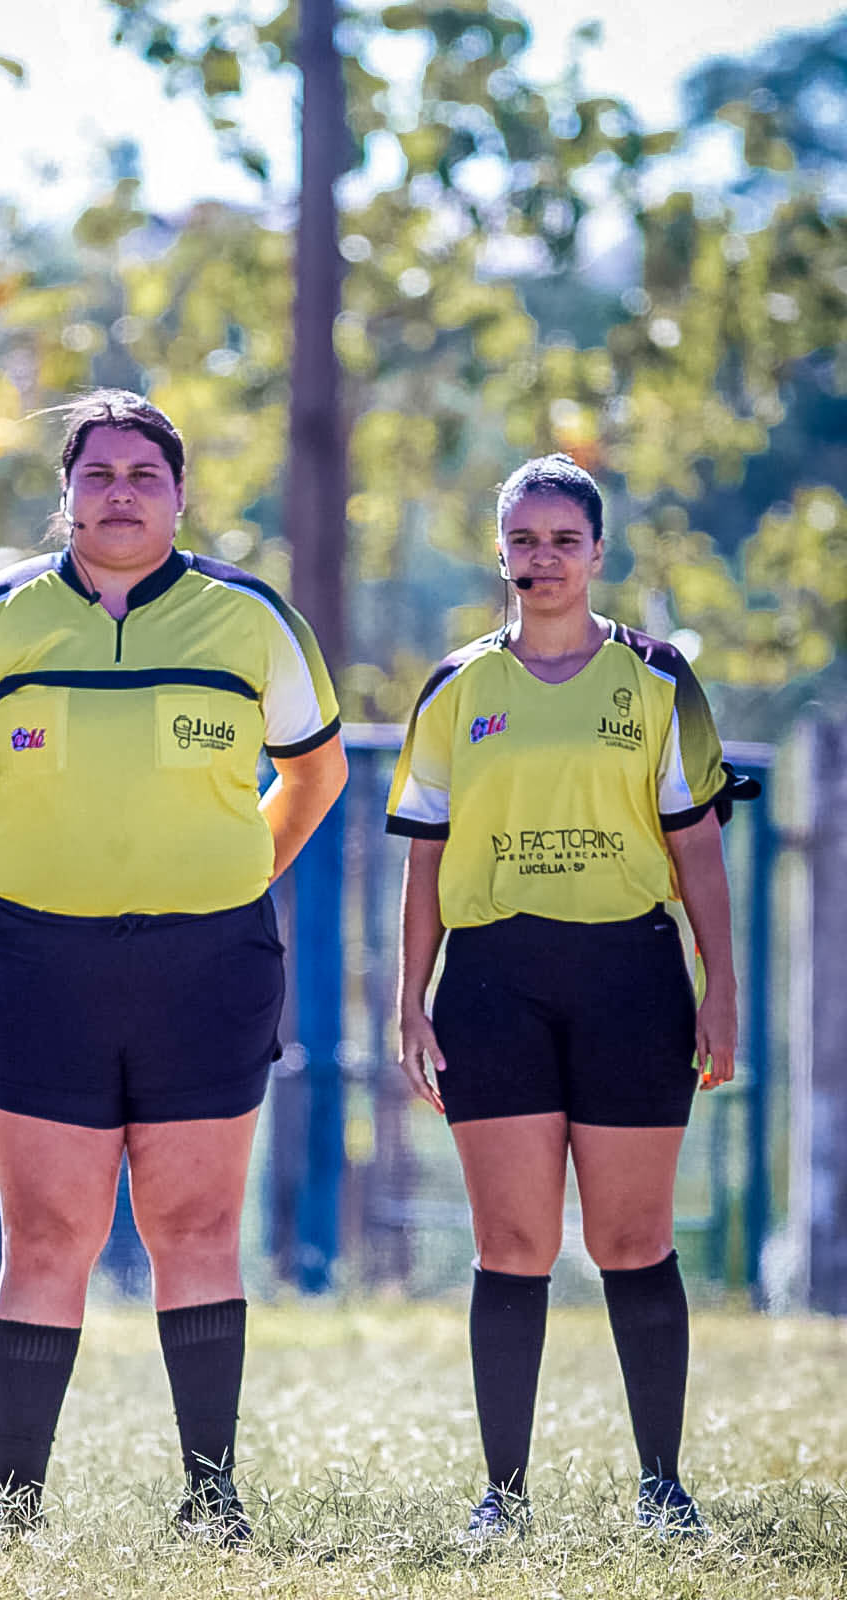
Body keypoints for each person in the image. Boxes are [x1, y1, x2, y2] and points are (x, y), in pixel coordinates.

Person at [0, 390, 348, 1544]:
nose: (121, 492)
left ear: (180, 493)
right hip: (41, 963)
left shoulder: (251, 619)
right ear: (65, 493)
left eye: (145, 472)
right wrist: (17, 872)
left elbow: (317, 775)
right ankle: (14, 1505)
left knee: (194, 1226)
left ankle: (212, 1498)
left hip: (210, 963)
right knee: (48, 1234)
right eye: (98, 473)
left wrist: (240, 873)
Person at [387, 454, 749, 1540]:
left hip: (631, 978)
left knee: (633, 1240)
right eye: (523, 540)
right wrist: (408, 1000)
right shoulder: (455, 686)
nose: (541, 559)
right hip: (492, 982)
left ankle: (662, 1488)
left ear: (597, 552)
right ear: (496, 552)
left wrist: (717, 987)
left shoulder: (657, 676)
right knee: (511, 1245)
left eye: (563, 540)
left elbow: (698, 852)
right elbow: (422, 859)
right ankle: (501, 1497)